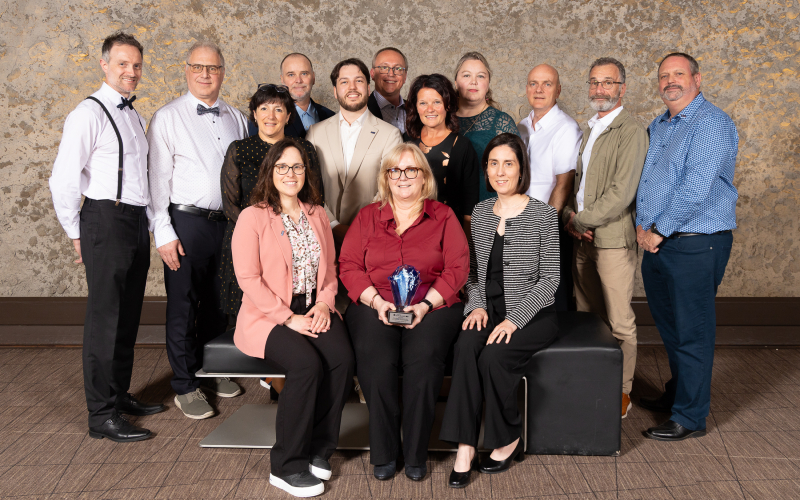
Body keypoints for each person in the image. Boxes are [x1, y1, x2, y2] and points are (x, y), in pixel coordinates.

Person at [49, 31, 164, 442]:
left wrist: (152, 223)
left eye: (136, 65)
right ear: (104, 64)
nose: (131, 72)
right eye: (122, 64)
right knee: (105, 319)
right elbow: (63, 179)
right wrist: (76, 231)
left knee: (128, 313)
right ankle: (101, 416)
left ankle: (118, 396)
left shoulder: (132, 114)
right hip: (103, 219)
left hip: (133, 221)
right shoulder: (88, 113)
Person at [339, 143, 469, 482]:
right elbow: (349, 264)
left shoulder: (443, 216)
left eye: (411, 170)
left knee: (423, 360)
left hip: (433, 304)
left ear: (424, 178)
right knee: (375, 360)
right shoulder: (367, 217)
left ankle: (415, 452)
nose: (403, 177)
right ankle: (384, 451)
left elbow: (458, 267)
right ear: (385, 178)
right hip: (375, 302)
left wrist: (426, 305)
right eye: (395, 171)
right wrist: (376, 301)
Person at [232, 138, 354, 498]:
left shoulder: (317, 212)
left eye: (297, 167)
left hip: (313, 307)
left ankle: (319, 448)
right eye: (282, 166)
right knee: (305, 365)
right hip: (267, 315)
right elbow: (248, 279)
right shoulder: (253, 216)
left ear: (306, 172)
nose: (290, 173)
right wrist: (288, 318)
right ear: (270, 171)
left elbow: (330, 271)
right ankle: (286, 465)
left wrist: (324, 304)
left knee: (343, 359)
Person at [440, 133, 560, 488]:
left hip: (532, 314)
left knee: (493, 358)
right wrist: (475, 306)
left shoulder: (543, 214)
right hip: (487, 309)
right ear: (486, 170)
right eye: (493, 164)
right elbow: (474, 273)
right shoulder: (479, 212)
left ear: (521, 168)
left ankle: (508, 437)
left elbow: (550, 279)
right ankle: (465, 447)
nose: (500, 171)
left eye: (508, 163)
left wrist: (513, 319)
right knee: (464, 349)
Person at [636, 53, 738, 441]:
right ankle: (679, 393)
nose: (670, 81)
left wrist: (657, 229)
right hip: (659, 243)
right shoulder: (659, 125)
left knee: (693, 332)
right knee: (672, 328)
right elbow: (648, 184)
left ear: (697, 78)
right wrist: (644, 229)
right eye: (664, 75)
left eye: (679, 74)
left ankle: (691, 417)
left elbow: (695, 189)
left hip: (696, 244)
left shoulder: (711, 123)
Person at [147, 41, 248, 419]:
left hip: (227, 224)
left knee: (219, 304)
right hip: (185, 222)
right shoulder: (168, 117)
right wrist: (163, 230)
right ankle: (185, 384)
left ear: (223, 72)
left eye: (213, 68)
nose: (206, 74)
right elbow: (156, 177)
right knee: (183, 304)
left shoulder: (236, 117)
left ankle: (212, 370)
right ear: (187, 70)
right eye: (198, 67)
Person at [220, 84, 322, 397]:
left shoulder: (303, 151)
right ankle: (279, 389)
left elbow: (314, 198)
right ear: (253, 114)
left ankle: (295, 390)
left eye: (279, 109)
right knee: (263, 316)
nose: (271, 115)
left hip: (297, 243)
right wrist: (260, 232)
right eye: (263, 108)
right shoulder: (239, 149)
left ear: (289, 115)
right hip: (249, 244)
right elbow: (230, 203)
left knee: (296, 319)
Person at [562, 57, 649, 419]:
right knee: (587, 315)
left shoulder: (631, 131)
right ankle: (592, 379)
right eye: (594, 82)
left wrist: (579, 218)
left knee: (618, 321)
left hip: (612, 239)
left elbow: (621, 193)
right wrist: (570, 217)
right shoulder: (590, 129)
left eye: (608, 83)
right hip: (582, 238)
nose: (600, 89)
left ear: (622, 88)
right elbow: (577, 185)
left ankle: (622, 391)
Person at [305, 58, 402, 249]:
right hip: (323, 235)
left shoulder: (390, 135)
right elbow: (308, 186)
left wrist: (361, 229)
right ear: (335, 91)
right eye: (344, 82)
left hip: (371, 237)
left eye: (358, 81)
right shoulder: (315, 133)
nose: (352, 87)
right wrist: (333, 225)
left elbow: (390, 189)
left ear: (368, 87)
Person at [517, 64, 582, 311]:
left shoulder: (566, 128)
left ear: (558, 90)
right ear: (526, 89)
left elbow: (563, 185)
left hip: (548, 226)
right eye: (533, 83)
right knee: (524, 292)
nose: (539, 89)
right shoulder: (521, 126)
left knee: (554, 294)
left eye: (547, 84)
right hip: (520, 223)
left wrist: (542, 229)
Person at [403, 73, 480, 228]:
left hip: (448, 230)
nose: (429, 109)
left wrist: (465, 243)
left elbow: (469, 207)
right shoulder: (405, 141)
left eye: (437, 102)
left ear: (448, 105)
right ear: (416, 106)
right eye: (423, 103)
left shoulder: (463, 146)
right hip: (408, 227)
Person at [452, 52, 520, 201]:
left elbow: (516, 176)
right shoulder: (441, 119)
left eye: (481, 76)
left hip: (487, 209)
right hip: (449, 209)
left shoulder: (502, 122)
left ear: (488, 83)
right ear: (456, 81)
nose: (473, 82)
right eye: (466, 75)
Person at [247, 53, 335, 138]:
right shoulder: (265, 117)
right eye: (291, 75)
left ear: (313, 78)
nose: (298, 80)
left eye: (304, 73)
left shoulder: (330, 116)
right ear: (282, 80)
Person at [367, 47, 409, 133]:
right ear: (373, 74)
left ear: (405, 77)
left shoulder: (417, 110)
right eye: (384, 67)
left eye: (398, 69)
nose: (391, 74)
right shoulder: (361, 111)